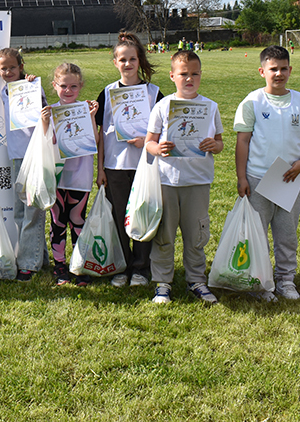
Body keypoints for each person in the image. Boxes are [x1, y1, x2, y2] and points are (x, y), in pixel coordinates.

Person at [233, 45, 300, 301]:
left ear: (290, 70)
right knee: (257, 234)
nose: (278, 74)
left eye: (283, 68)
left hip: (288, 178)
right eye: (273, 69)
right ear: (262, 72)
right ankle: (259, 281)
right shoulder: (252, 101)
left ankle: (286, 280)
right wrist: (242, 177)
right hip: (258, 178)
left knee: (287, 234)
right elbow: (242, 141)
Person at [145, 50, 224, 305]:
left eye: (194, 74)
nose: (189, 79)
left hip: (198, 181)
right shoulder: (163, 106)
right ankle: (163, 283)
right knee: (164, 235)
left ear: (201, 75)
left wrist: (214, 145)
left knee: (197, 235)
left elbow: (220, 142)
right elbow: (149, 142)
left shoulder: (210, 107)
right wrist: (158, 148)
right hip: (167, 180)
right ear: (172, 76)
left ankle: (196, 280)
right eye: (183, 74)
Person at [95, 32, 164, 288]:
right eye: (122, 59)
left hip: (145, 166)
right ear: (115, 62)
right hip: (115, 166)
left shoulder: (153, 93)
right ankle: (122, 266)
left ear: (139, 60)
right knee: (119, 217)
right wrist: (100, 168)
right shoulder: (107, 93)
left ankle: (141, 268)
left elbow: (164, 130)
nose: (127, 64)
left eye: (132, 59)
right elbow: (101, 134)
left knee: (142, 215)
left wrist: (145, 141)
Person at [41, 62, 98, 286]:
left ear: (81, 86)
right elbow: (44, 143)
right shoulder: (50, 112)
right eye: (63, 86)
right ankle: (59, 265)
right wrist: (45, 122)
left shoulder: (85, 110)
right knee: (58, 221)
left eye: (73, 86)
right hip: (58, 177)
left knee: (78, 220)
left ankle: (79, 265)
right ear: (54, 85)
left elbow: (94, 141)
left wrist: (91, 117)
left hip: (80, 176)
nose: (68, 90)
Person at [0, 47, 48, 282]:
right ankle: (38, 257)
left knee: (32, 209)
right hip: (16, 156)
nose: (8, 72)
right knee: (20, 211)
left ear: (21, 67)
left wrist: (33, 85)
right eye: (3, 68)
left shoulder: (33, 86)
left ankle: (27, 264)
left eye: (12, 67)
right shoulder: (4, 92)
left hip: (35, 155)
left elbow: (45, 112)